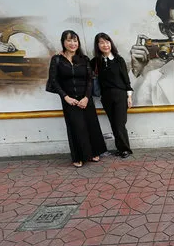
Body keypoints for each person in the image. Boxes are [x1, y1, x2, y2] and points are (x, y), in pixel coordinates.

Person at [48, 30, 106, 168]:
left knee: (91, 125)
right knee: (76, 127)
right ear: (63, 42)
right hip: (69, 100)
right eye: (69, 40)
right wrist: (66, 97)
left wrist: (87, 97)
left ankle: (94, 152)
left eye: (75, 40)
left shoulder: (84, 59)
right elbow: (54, 81)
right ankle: (79, 156)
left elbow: (90, 80)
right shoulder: (56, 59)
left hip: (85, 98)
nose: (72, 43)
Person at [90, 33, 133, 158]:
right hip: (106, 96)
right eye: (102, 42)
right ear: (97, 45)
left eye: (107, 42)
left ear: (111, 43)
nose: (105, 45)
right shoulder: (95, 61)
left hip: (120, 95)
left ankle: (126, 149)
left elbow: (126, 80)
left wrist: (129, 97)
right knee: (113, 124)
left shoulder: (119, 60)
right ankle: (120, 149)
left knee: (120, 123)